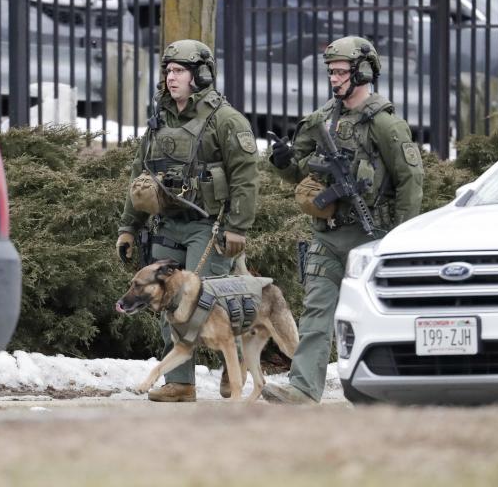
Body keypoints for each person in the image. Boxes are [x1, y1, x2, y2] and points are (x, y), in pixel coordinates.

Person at [262, 36, 424, 405]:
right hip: (328, 234)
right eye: (331, 72)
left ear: (363, 72)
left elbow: (410, 181)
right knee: (316, 310)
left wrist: (399, 239)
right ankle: (303, 388)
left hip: (372, 236)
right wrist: (283, 159)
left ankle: (401, 382)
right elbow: (299, 173)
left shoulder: (385, 124)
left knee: (380, 312)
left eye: (340, 72)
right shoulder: (320, 120)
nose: (334, 79)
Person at [116, 39, 259, 403]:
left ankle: (234, 367)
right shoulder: (159, 120)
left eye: (179, 71)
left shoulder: (225, 120)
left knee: (209, 300)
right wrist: (129, 226)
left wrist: (237, 227)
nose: (171, 77)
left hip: (206, 225)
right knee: (167, 303)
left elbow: (245, 175)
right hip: (166, 225)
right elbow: (140, 175)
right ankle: (180, 383)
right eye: (168, 71)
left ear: (201, 75)